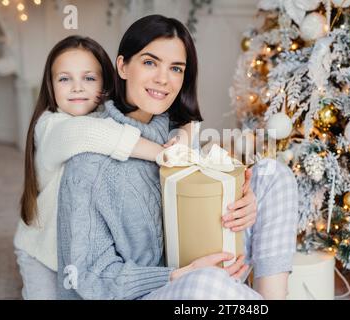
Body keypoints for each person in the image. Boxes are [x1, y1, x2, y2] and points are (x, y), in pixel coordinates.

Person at [57, 15, 298, 300]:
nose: (163, 78)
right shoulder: (88, 163)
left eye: (176, 68)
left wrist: (244, 203)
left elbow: (202, 207)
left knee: (274, 174)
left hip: (204, 270)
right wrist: (179, 274)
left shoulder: (177, 133)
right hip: (145, 292)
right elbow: (89, 276)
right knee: (206, 283)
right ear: (122, 66)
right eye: (149, 62)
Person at [14, 35, 186, 299]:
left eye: (89, 78)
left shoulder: (104, 117)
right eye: (64, 79)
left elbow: (175, 122)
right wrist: (160, 154)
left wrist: (184, 135)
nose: (77, 88)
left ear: (106, 82)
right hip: (42, 251)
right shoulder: (50, 126)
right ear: (50, 86)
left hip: (79, 248)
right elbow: (88, 133)